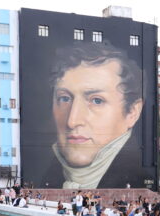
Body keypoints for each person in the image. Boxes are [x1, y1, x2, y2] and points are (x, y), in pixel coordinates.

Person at [46, 44, 145, 189]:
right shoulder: (48, 177)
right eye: (65, 98)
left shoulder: (137, 179)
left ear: (132, 112)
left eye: (97, 100)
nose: (72, 121)